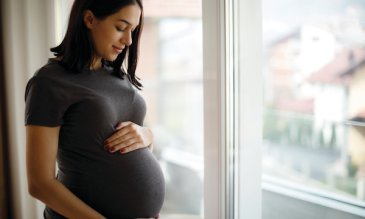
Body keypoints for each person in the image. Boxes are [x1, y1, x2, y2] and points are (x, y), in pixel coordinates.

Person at [24, 0, 165, 218]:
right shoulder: (49, 82)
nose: (128, 40)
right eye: (121, 27)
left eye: (133, 31)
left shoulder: (118, 76)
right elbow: (39, 183)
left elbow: (133, 145)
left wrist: (147, 135)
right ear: (89, 19)